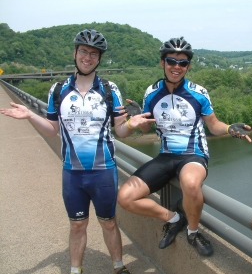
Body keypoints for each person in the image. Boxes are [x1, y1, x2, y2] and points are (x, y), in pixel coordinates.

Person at [0, 29, 153, 274]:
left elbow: (120, 131)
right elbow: (51, 129)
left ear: (99, 59)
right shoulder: (58, 90)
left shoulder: (109, 89)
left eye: (94, 53)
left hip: (103, 171)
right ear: (75, 53)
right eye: (83, 51)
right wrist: (30, 115)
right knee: (77, 226)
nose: (88, 57)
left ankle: (118, 266)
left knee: (109, 223)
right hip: (72, 173)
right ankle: (75, 269)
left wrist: (132, 126)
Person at [117, 36, 252, 256]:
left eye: (182, 63)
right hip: (165, 155)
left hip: (193, 154)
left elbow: (213, 124)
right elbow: (145, 129)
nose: (176, 67)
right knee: (125, 197)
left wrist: (229, 129)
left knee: (190, 184)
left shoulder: (198, 92)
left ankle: (192, 231)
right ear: (162, 63)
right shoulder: (151, 92)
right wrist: (136, 120)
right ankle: (174, 218)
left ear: (188, 66)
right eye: (171, 61)